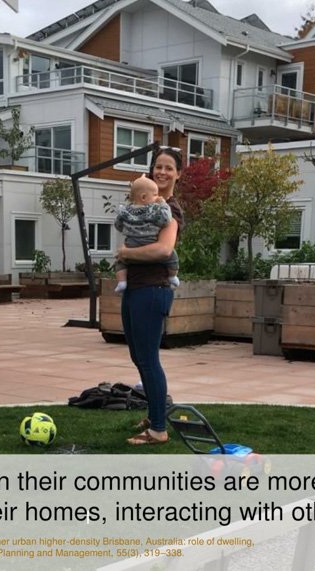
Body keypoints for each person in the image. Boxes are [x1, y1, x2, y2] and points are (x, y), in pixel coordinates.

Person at [116, 147, 184, 445]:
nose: (162, 172)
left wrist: (127, 253)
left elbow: (163, 250)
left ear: (177, 173)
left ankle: (158, 428)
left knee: (148, 358)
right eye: (158, 166)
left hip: (153, 289)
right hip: (135, 288)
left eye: (169, 167)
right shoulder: (141, 204)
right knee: (138, 357)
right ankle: (156, 410)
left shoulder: (171, 210)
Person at [114, 175, 180, 294]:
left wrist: (127, 236)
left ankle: (121, 282)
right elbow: (165, 219)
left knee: (120, 261)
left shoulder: (125, 210)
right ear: (144, 197)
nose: (157, 197)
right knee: (173, 256)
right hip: (149, 241)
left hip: (131, 244)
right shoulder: (154, 210)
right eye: (155, 195)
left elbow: (118, 225)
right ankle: (172, 276)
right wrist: (163, 204)